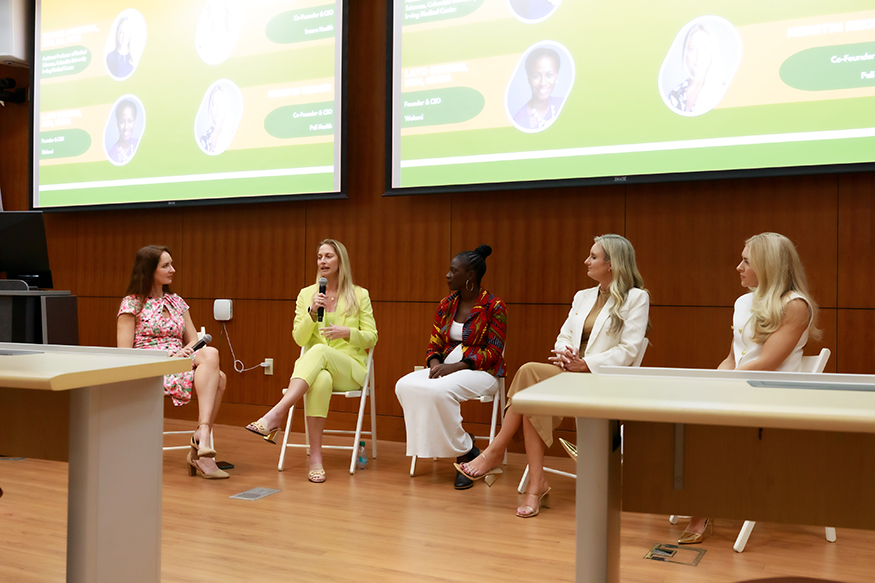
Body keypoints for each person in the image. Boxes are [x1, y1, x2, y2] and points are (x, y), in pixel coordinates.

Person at [457, 234, 649, 517]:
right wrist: (566, 355)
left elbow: (629, 350)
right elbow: (564, 335)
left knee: (529, 385)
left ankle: (497, 454)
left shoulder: (636, 298)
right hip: (569, 373)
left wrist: (585, 364)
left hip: (604, 380)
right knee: (529, 382)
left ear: (612, 264)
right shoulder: (583, 296)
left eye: (593, 256)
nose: (586, 261)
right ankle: (535, 484)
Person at [679, 232, 820, 543]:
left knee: (702, 425)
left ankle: (700, 507)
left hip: (771, 397)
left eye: (746, 261)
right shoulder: (743, 302)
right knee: (682, 413)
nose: (738, 267)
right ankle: (693, 495)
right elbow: (732, 358)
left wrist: (722, 386)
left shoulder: (795, 306)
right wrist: (715, 382)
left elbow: (767, 362)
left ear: (768, 266)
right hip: (739, 390)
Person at [246, 239, 378, 483]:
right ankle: (315, 458)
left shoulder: (359, 295)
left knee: (318, 351)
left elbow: (372, 337)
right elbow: (299, 338)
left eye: (328, 256)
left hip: (350, 369)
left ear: (340, 261)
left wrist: (347, 332)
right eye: (319, 257)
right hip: (317, 369)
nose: (322, 261)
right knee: (321, 378)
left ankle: (276, 414)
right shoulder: (307, 294)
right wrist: (311, 313)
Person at [395, 245, 507, 490]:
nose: (447, 275)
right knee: (403, 385)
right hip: (447, 368)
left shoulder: (494, 305)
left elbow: (494, 351)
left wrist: (457, 366)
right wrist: (435, 365)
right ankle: (467, 447)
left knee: (440, 391)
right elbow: (434, 344)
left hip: (482, 372)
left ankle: (463, 456)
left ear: (470, 276)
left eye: (453, 271)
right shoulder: (446, 304)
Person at [117, 245, 229, 479]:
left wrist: (185, 351)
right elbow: (124, 353)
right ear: (149, 270)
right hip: (150, 366)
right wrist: (165, 356)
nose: (172, 270)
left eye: (171, 264)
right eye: (166, 265)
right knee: (219, 379)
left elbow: (194, 340)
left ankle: (203, 433)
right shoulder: (132, 304)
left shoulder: (176, 301)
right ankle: (201, 449)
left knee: (210, 353)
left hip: (181, 361)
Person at [666, 23, 728, 115]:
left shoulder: (722, 92)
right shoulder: (674, 94)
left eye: (705, 49)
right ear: (685, 53)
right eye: (692, 49)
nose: (698, 56)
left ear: (712, 52)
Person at [512, 47, 564, 131]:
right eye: (536, 76)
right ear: (528, 78)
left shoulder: (564, 105)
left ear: (556, 76)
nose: (543, 83)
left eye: (549, 75)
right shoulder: (520, 121)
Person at [199, 84, 234, 155]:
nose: (217, 109)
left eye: (221, 104)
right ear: (210, 108)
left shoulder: (231, 137)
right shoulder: (204, 138)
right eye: (214, 104)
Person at [108, 99, 139, 165]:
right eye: (122, 122)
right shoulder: (112, 155)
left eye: (130, 121)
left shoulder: (138, 144)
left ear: (134, 122)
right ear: (117, 123)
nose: (126, 127)